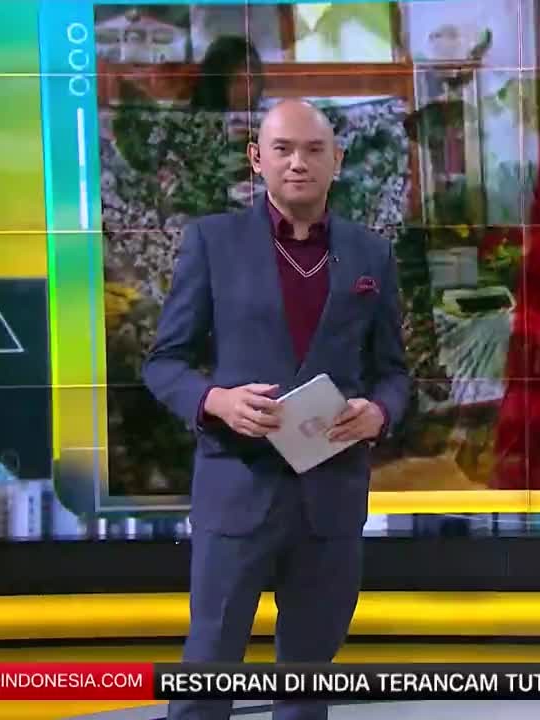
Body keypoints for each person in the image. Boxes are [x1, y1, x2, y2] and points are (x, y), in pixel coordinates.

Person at [143, 98, 410, 720]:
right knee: (208, 669)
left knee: (310, 681)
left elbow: (395, 373)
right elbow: (164, 363)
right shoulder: (212, 242)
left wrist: (381, 413)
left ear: (337, 161)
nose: (299, 163)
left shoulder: (371, 254)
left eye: (314, 150)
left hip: (331, 499)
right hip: (237, 490)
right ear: (257, 159)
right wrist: (214, 401)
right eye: (284, 149)